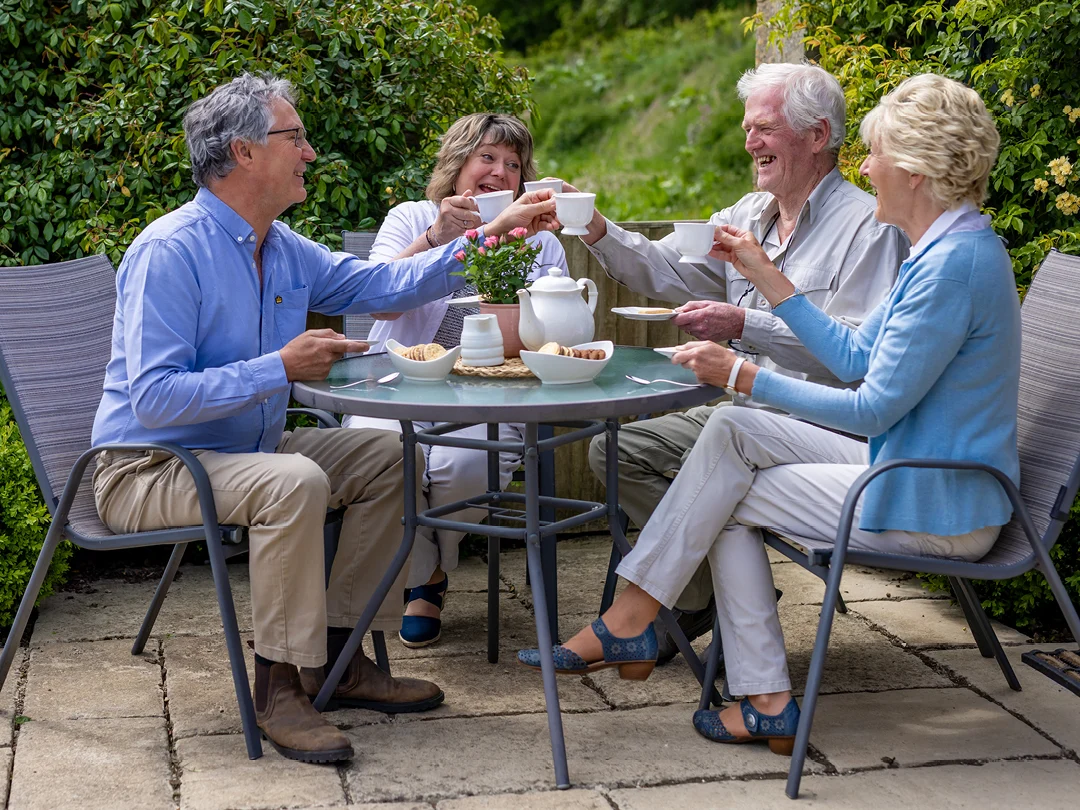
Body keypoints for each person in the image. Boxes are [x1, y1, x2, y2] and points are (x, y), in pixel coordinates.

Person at [521, 73, 1016, 754]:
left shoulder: (950, 266)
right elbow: (851, 348)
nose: (864, 167)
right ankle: (732, 682)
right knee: (729, 446)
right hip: (913, 469)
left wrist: (742, 372)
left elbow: (871, 404)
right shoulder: (944, 250)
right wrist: (763, 273)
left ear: (915, 170)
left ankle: (694, 652)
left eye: (874, 155)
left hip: (934, 496)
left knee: (729, 476)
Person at [90, 73, 557, 764]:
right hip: (149, 467)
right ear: (243, 152)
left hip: (240, 449)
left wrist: (491, 233)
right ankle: (277, 687)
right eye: (296, 136)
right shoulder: (171, 251)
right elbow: (155, 398)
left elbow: (382, 286)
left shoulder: (279, 245)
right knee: (295, 481)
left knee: (387, 457)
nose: (310, 152)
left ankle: (336, 663)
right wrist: (279, 367)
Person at [569, 62, 907, 663]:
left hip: (818, 421)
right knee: (615, 449)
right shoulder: (750, 212)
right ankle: (700, 595)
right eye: (747, 128)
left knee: (719, 466)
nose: (750, 142)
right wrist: (594, 227)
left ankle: (690, 616)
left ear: (817, 136)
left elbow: (855, 357)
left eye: (766, 129)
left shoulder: (868, 227)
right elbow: (664, 269)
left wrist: (744, 324)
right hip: (743, 406)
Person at [343, 113, 568, 648]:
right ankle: (427, 577)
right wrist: (436, 238)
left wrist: (513, 255)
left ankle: (423, 571)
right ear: (458, 162)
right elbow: (379, 296)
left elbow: (546, 331)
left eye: (513, 164)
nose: (499, 172)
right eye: (487, 157)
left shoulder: (540, 242)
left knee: (465, 465)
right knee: (380, 456)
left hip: (491, 397)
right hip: (394, 387)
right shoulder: (412, 216)